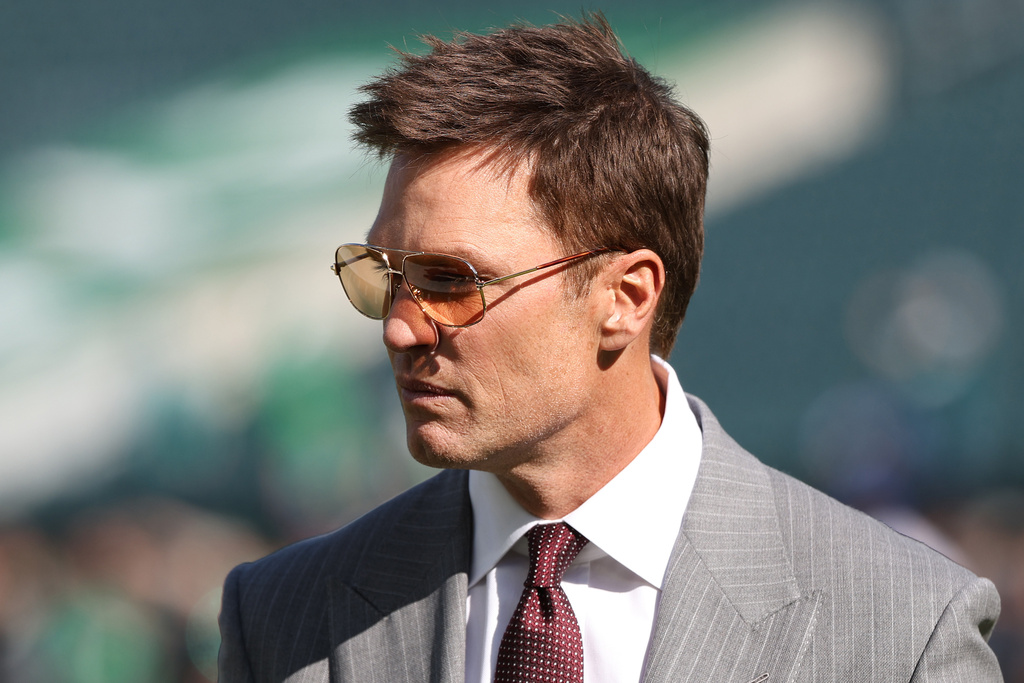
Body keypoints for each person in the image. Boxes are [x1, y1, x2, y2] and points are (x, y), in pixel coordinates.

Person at [217, 14, 1002, 682]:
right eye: (384, 276)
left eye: (452, 281)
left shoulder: (902, 631)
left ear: (625, 298)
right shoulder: (283, 615)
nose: (399, 326)